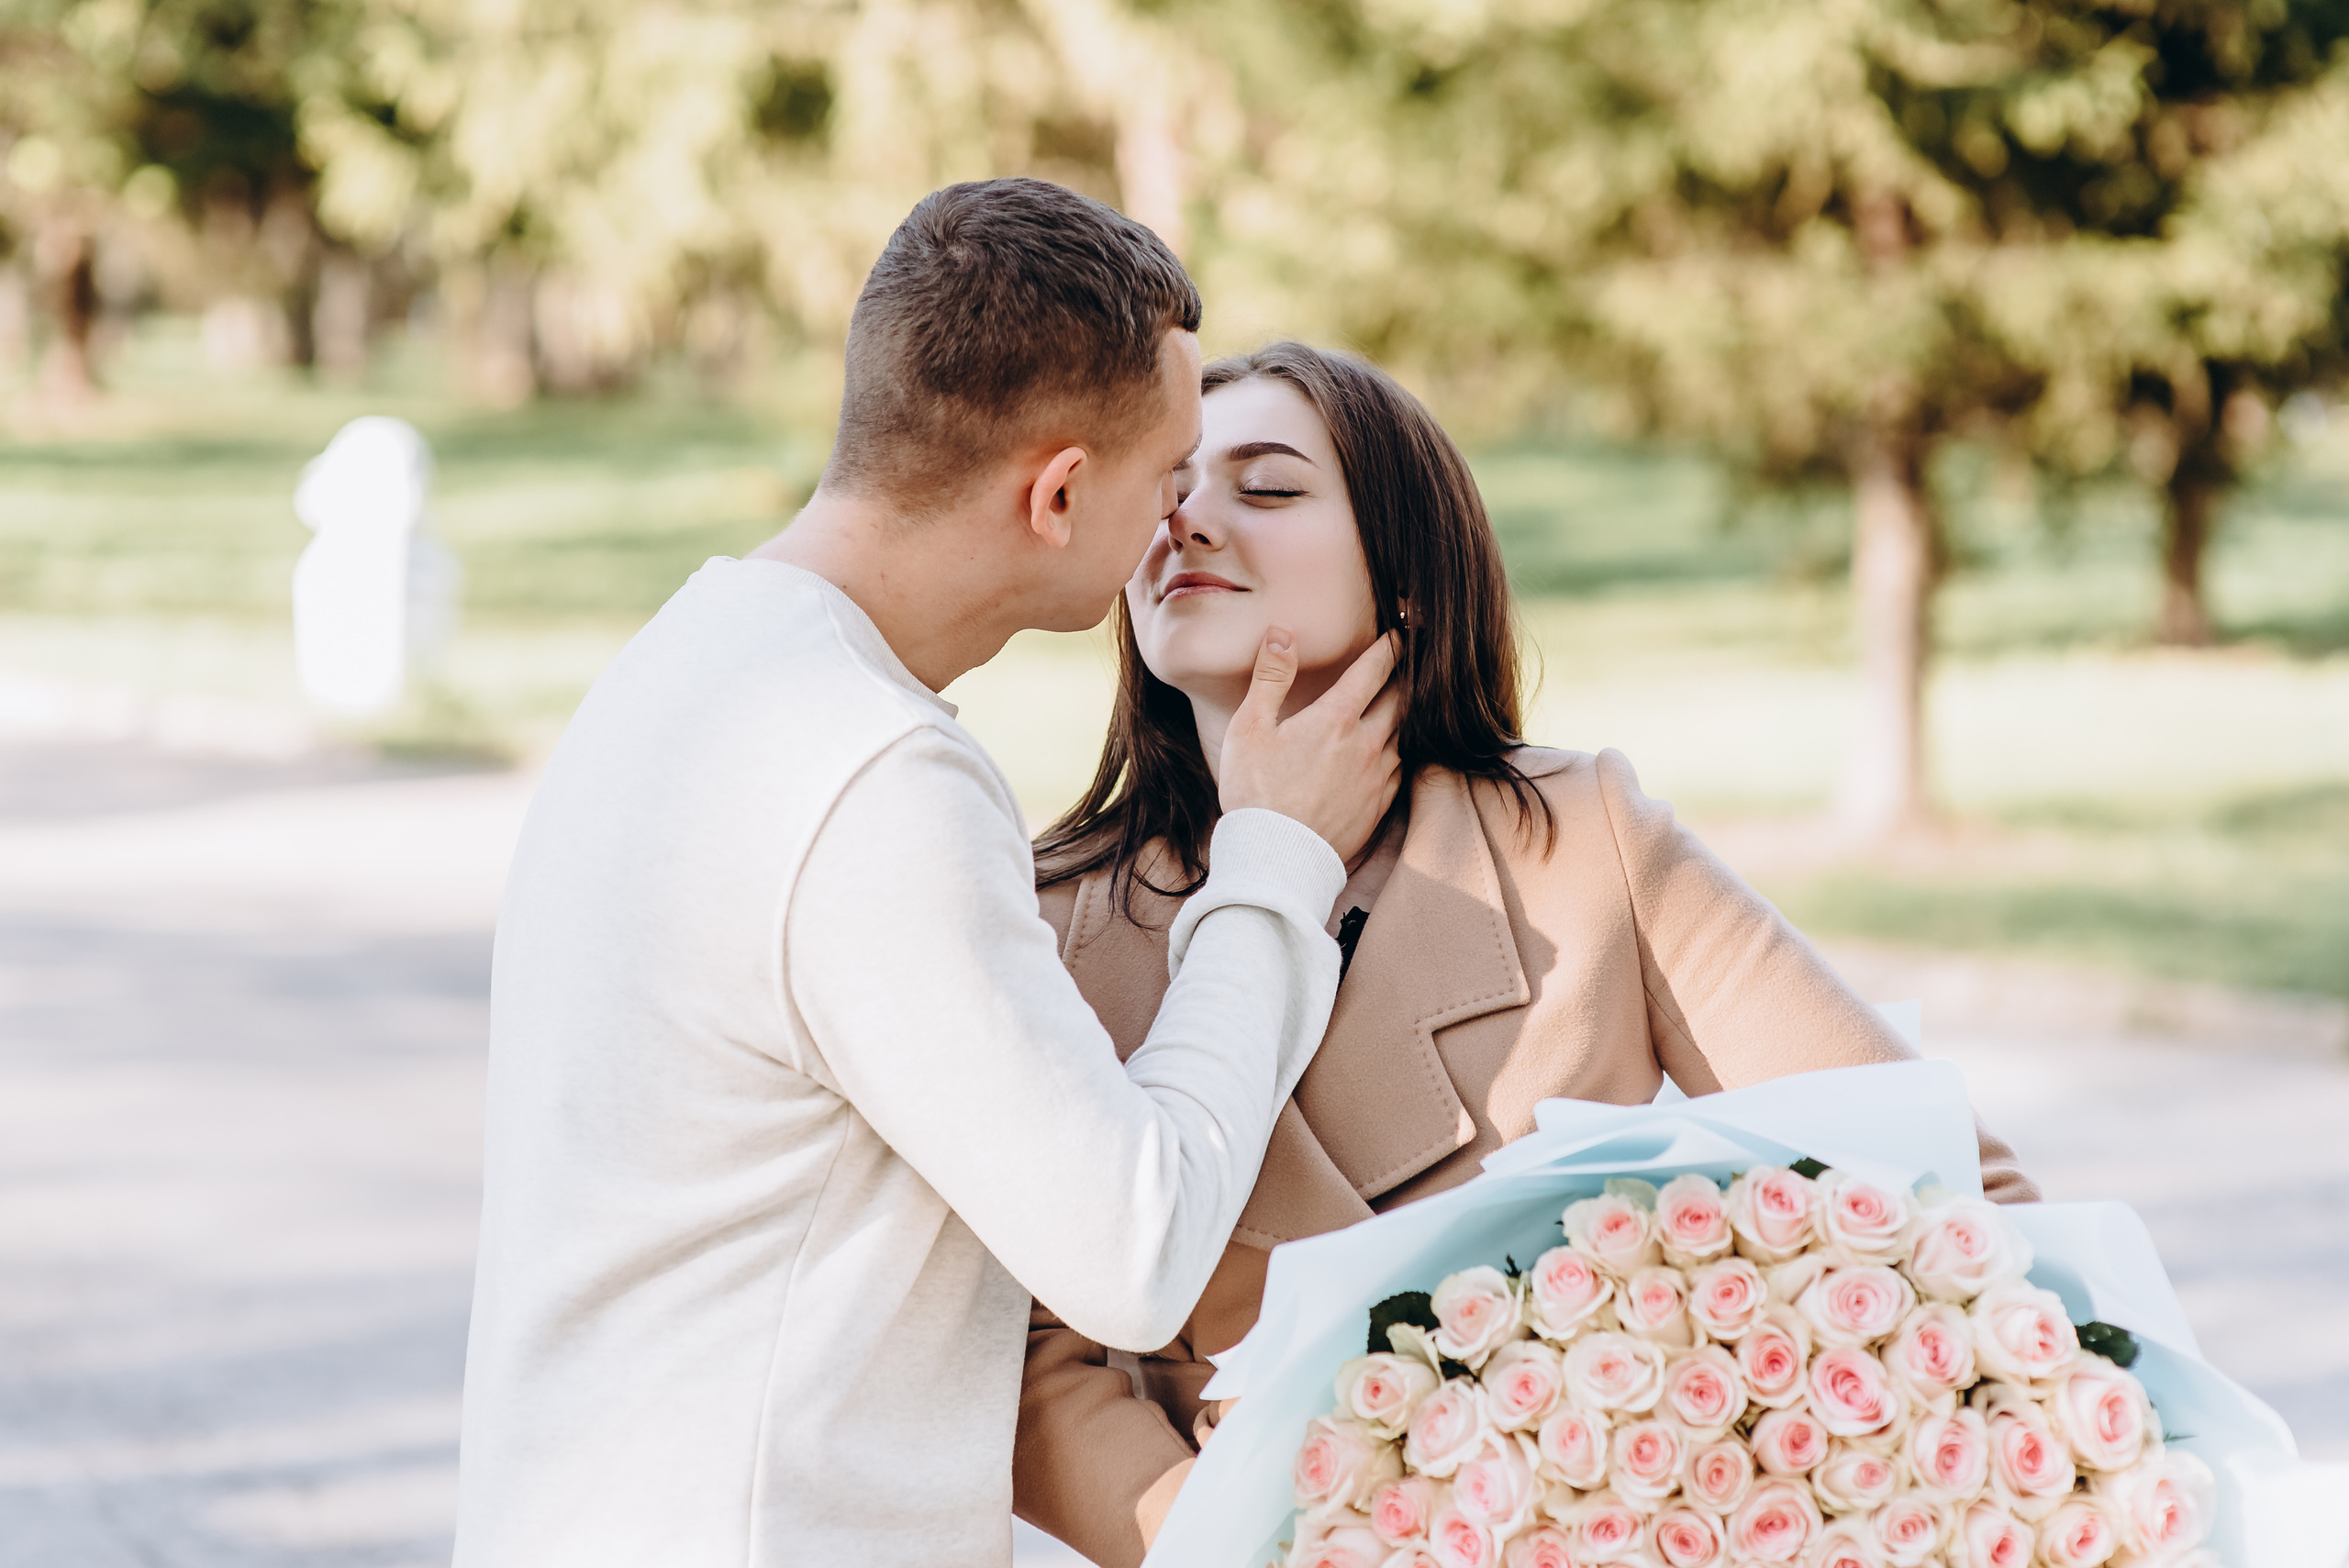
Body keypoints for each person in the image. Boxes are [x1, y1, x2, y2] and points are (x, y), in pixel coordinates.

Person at [452, 187, 1405, 1568]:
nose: (1183, 520)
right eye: (1168, 474)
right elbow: (1130, 1247)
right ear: (1059, 493)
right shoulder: (871, 777)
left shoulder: (689, 660)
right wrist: (1274, 857)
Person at [1012, 341, 2040, 1567]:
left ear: (1405, 567)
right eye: (1169, 485)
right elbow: (1033, 1363)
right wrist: (1250, 1543)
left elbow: (1936, 1185)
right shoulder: (1054, 918)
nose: (1189, 521)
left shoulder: (1582, 836)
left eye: (1268, 486)